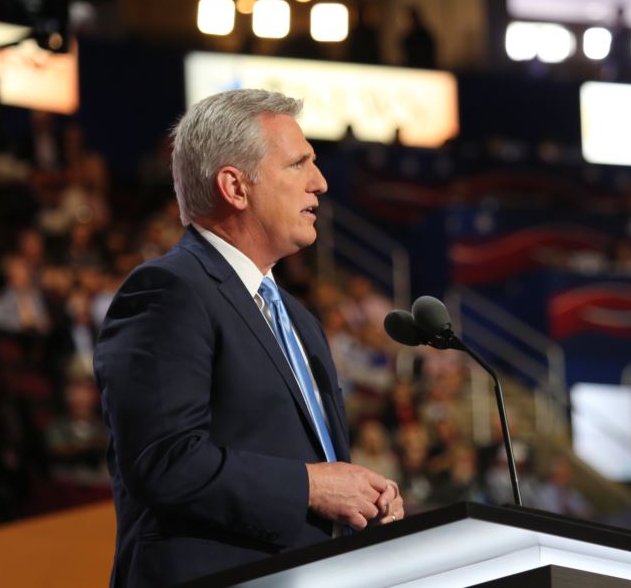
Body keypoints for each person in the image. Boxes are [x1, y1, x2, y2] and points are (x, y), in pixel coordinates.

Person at [94, 89, 404, 588]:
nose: (320, 183)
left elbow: (306, 469)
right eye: (299, 164)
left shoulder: (299, 320)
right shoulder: (169, 291)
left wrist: (361, 497)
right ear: (236, 187)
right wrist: (311, 487)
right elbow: (165, 462)